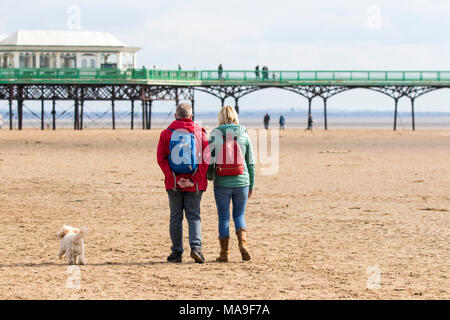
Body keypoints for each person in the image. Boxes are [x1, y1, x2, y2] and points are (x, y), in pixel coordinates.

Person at [157, 102, 210, 264]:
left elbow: (161, 159)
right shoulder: (200, 133)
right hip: (194, 184)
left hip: (174, 183)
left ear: (175, 116)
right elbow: (206, 160)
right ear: (191, 116)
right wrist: (193, 179)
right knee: (194, 216)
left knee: (175, 217)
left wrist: (175, 178)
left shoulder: (166, 133)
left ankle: (176, 253)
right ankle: (196, 249)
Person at [207, 106, 255, 262]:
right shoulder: (244, 135)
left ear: (220, 118)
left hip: (222, 182)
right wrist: (251, 185)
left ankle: (224, 253)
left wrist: (210, 176)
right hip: (242, 181)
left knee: (223, 217)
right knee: (239, 215)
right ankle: (243, 244)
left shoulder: (215, 135)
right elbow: (251, 163)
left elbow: (209, 160)